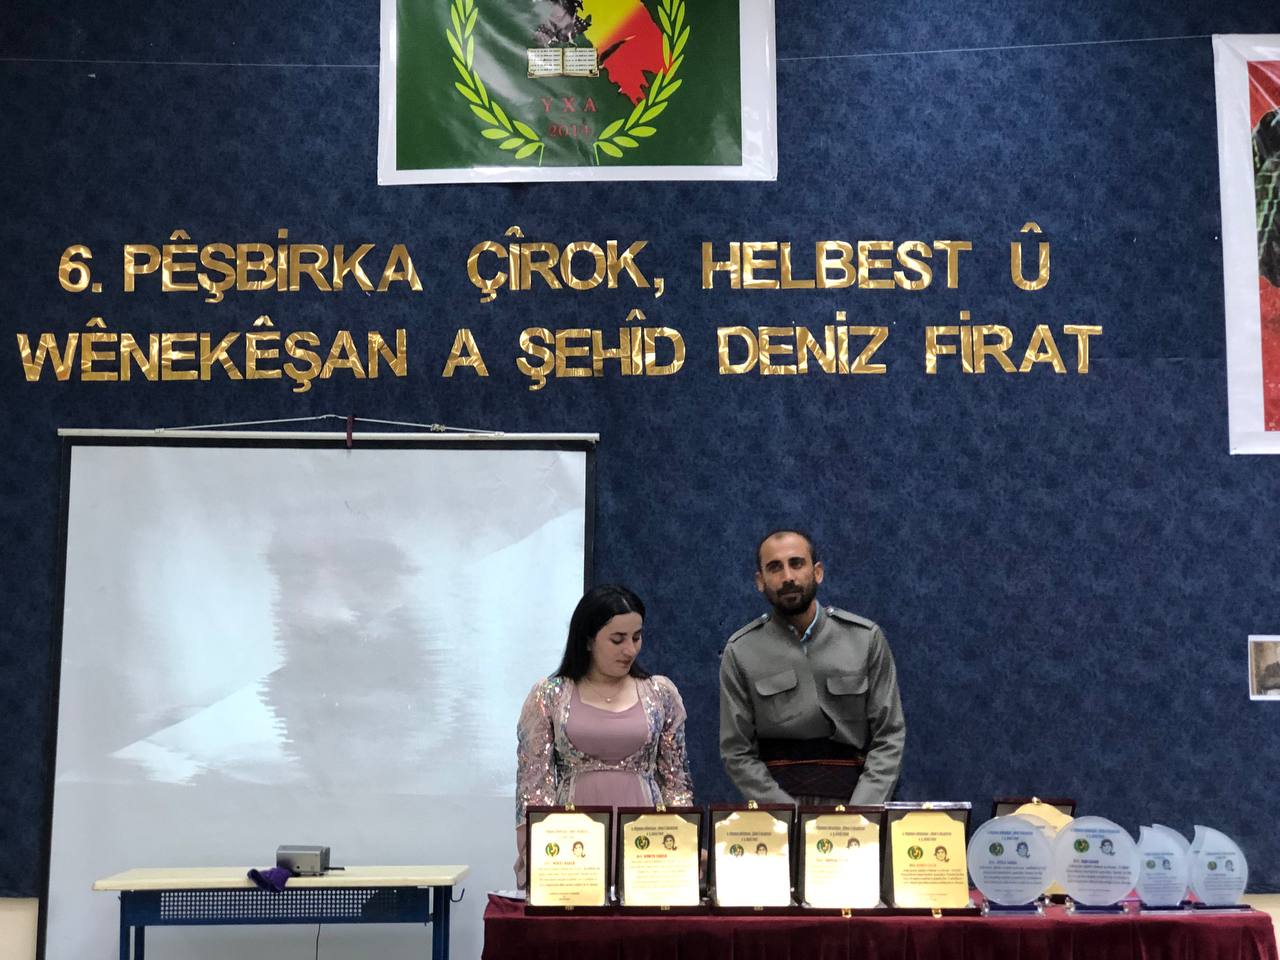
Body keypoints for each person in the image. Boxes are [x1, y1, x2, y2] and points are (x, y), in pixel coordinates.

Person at [514, 584, 694, 885]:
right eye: (617, 639)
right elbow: (533, 786)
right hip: (571, 844)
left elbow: (677, 782)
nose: (630, 650)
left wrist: (684, 843)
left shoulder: (660, 693)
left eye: (637, 637)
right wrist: (535, 849)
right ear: (587, 640)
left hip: (647, 843)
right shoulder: (549, 695)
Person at [719, 530, 906, 805]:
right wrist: (787, 815)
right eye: (775, 567)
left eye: (796, 563)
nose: (788, 577)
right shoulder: (741, 652)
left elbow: (889, 736)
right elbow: (737, 752)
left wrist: (860, 813)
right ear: (760, 581)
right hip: (778, 811)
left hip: (857, 804)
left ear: (817, 572)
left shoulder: (865, 639)